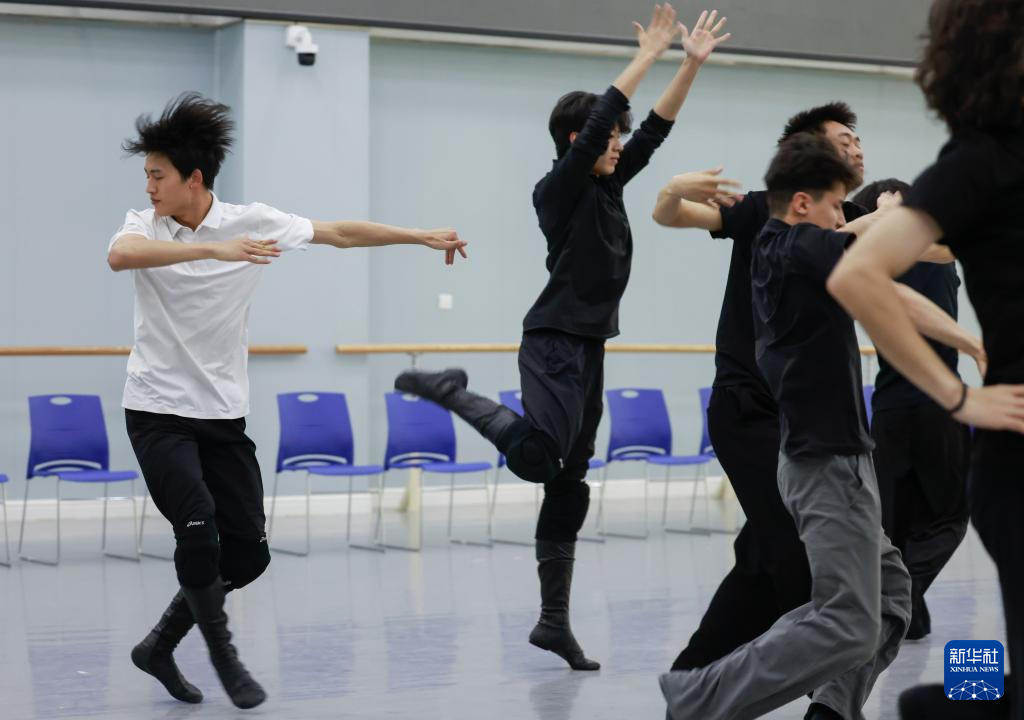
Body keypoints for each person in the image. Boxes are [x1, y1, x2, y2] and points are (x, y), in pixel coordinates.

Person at [393, 4, 730, 671]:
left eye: (618, 139)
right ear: (579, 140)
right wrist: (648, 53)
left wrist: (688, 65)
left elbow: (654, 130)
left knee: (570, 482)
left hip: (590, 345)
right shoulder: (559, 190)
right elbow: (605, 122)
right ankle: (452, 393)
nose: (619, 144)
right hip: (553, 338)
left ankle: (553, 622)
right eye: (608, 138)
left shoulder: (610, 186)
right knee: (538, 457)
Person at [110, 93, 466, 709]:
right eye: (146, 175)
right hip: (157, 411)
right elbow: (121, 256)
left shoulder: (250, 220)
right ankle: (225, 659)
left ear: (194, 178)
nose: (148, 186)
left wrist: (419, 236)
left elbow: (339, 233)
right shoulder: (144, 225)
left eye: (157, 175)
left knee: (247, 556)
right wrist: (211, 250)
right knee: (197, 531)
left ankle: (158, 646)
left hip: (222, 415)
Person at [661, 133, 981, 720]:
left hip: (842, 457)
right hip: (825, 462)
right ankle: (697, 698)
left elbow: (897, 284)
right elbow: (876, 245)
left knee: (891, 598)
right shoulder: (790, 246)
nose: (843, 215)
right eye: (836, 205)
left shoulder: (808, 250)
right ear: (804, 203)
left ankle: (829, 711)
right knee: (846, 620)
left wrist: (966, 341)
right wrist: (891, 214)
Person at [828, 1, 1024, 717]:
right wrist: (960, 393)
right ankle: (937, 700)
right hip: (1002, 446)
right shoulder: (982, 162)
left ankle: (935, 702)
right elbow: (857, 275)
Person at [853, 178, 978, 642]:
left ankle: (909, 617)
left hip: (888, 410)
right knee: (948, 518)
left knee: (896, 525)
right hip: (937, 405)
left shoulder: (869, 260)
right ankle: (896, 605)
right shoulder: (936, 254)